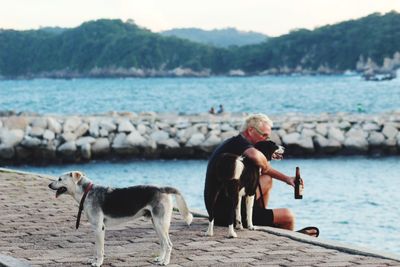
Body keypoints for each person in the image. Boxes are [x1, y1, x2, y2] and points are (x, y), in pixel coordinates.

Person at [204, 113, 318, 236]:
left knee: (267, 179)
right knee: (287, 216)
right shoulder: (239, 144)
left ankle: (258, 215)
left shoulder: (235, 143)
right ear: (251, 130)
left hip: (224, 204)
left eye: (267, 137)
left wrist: (287, 179)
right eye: (263, 135)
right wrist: (266, 162)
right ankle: (287, 239)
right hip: (226, 211)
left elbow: (265, 170)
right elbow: (256, 157)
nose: (265, 140)